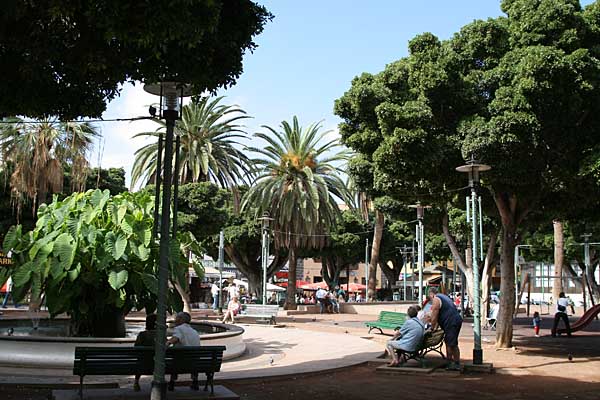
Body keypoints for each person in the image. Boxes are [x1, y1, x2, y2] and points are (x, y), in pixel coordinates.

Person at [428, 287, 463, 371]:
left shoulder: (436, 299)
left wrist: (432, 328)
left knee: (450, 343)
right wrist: (436, 326)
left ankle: (451, 363)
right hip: (455, 320)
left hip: (451, 322)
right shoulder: (444, 297)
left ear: (431, 294)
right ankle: (455, 362)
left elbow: (434, 315)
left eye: (429, 296)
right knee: (453, 342)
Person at [133, 314, 157, 391]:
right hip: (157, 363)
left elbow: (136, 348)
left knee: (140, 360)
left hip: (142, 364)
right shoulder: (161, 335)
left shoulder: (142, 334)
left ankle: (136, 381)